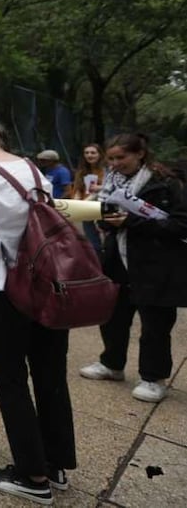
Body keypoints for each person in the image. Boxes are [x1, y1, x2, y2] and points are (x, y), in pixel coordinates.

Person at [0, 108, 73, 506]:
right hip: (48, 283)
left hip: (7, 283)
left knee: (9, 376)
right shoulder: (33, 168)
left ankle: (32, 475)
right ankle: (54, 462)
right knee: (50, 372)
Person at [79, 133, 187, 403]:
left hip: (156, 265)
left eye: (121, 157)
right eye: (111, 158)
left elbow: (179, 225)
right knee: (113, 316)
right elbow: (105, 220)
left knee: (155, 324)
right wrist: (107, 221)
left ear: (140, 154)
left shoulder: (167, 183)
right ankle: (112, 363)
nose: (115, 163)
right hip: (118, 260)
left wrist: (131, 222)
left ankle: (153, 378)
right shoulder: (113, 181)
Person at [72, 143, 106, 254]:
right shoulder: (81, 171)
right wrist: (77, 202)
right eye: (86, 153)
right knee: (92, 241)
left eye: (93, 153)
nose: (89, 155)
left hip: (102, 206)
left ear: (100, 155)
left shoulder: (107, 170)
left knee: (105, 236)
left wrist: (99, 188)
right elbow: (77, 189)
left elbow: (111, 187)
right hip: (87, 208)